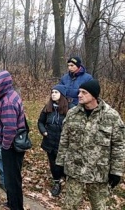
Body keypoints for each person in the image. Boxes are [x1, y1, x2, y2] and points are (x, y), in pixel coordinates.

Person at [56, 80, 125, 209]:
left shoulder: (111, 116)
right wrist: (60, 163)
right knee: (70, 206)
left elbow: (118, 146)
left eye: (84, 92)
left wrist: (116, 171)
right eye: (79, 92)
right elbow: (64, 140)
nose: (79, 95)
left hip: (99, 173)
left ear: (94, 95)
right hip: (74, 170)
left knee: (100, 207)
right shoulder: (72, 114)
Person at [0, 70, 26, 210]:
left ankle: (16, 206)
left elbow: (10, 128)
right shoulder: (9, 95)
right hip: (12, 145)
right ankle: (11, 203)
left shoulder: (8, 102)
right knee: (11, 178)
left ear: (3, 83)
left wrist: (5, 146)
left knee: (13, 179)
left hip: (11, 147)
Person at [37, 85, 73, 197]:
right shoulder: (48, 107)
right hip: (49, 140)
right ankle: (57, 182)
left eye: (56, 92)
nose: (53, 94)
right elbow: (40, 122)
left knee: (63, 163)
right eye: (52, 92)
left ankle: (66, 179)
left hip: (63, 143)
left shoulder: (71, 108)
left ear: (62, 94)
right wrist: (44, 132)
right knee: (53, 164)